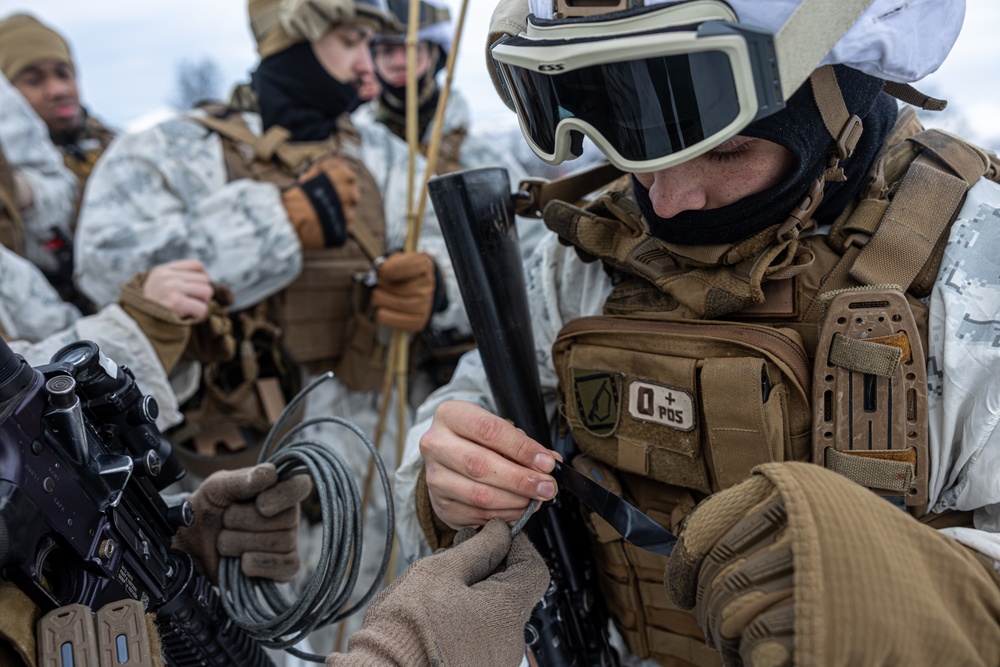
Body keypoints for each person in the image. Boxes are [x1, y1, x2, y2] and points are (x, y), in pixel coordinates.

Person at [397, 0, 1000, 665]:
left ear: (839, 97)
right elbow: (452, 431)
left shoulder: (977, 268)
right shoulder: (579, 260)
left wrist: (908, 601)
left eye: (725, 147)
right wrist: (448, 488)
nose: (665, 198)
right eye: (630, 136)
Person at [73, 0, 472, 652]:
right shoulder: (176, 149)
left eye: (375, 41)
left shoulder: (386, 155)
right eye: (350, 39)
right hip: (238, 482)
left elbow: (459, 261)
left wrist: (435, 290)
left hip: (371, 472)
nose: (367, 60)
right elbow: (109, 267)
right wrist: (275, 223)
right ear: (292, 38)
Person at [0, 13, 115, 311]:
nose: (57, 90)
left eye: (63, 73)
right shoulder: (12, 168)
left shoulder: (118, 148)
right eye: (34, 79)